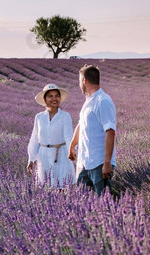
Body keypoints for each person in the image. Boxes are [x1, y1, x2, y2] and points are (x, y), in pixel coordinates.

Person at [68, 64, 116, 195]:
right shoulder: (89, 101)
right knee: (83, 203)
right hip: (84, 162)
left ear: (84, 80)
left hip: (99, 163)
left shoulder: (103, 101)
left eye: (80, 81)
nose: (79, 84)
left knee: (103, 202)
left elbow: (110, 132)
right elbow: (81, 124)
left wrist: (107, 163)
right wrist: (72, 145)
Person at [27, 83, 76, 188]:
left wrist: (72, 151)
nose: (54, 99)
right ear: (45, 99)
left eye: (56, 96)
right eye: (50, 96)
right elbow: (35, 139)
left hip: (61, 155)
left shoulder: (65, 116)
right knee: (46, 188)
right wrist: (31, 159)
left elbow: (68, 136)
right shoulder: (39, 117)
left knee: (63, 187)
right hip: (43, 156)